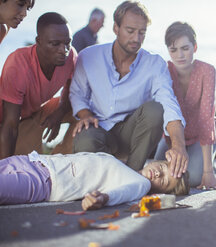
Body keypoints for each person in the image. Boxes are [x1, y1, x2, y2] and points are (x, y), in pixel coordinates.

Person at [70, 1, 188, 178]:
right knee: (85, 138)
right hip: (98, 127)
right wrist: (85, 115)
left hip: (132, 133)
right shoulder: (88, 56)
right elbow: (77, 93)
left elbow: (168, 102)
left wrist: (179, 145)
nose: (136, 39)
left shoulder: (155, 64)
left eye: (142, 33)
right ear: (115, 28)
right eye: (130, 31)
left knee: (156, 110)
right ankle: (100, 181)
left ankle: (133, 177)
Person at [154, 22, 216, 190]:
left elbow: (206, 119)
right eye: (173, 50)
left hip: (201, 138)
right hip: (173, 139)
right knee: (158, 175)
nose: (180, 55)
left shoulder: (207, 71)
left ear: (195, 47)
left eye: (185, 48)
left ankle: (206, 163)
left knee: (193, 179)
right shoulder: (163, 70)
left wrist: (208, 172)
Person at [0, 12, 77, 159]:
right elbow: (10, 125)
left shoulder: (71, 56)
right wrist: (6, 168)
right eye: (55, 44)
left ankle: (59, 161)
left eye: (67, 42)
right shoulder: (18, 64)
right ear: (39, 41)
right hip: (8, 121)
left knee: (83, 108)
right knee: (23, 168)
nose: (64, 50)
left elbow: (71, 87)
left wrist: (60, 112)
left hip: (35, 112)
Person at [0, 151, 190, 210]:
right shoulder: (124, 167)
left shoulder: (141, 184)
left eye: (163, 181)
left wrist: (103, 198)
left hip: (42, 182)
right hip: (32, 160)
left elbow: (124, 193)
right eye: (163, 169)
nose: (158, 174)